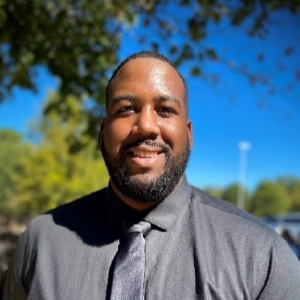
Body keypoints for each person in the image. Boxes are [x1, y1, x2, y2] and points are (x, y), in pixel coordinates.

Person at [2, 51, 300, 299]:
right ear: (102, 134)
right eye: (126, 109)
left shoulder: (263, 257)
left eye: (165, 110)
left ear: (188, 135)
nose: (146, 125)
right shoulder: (40, 240)